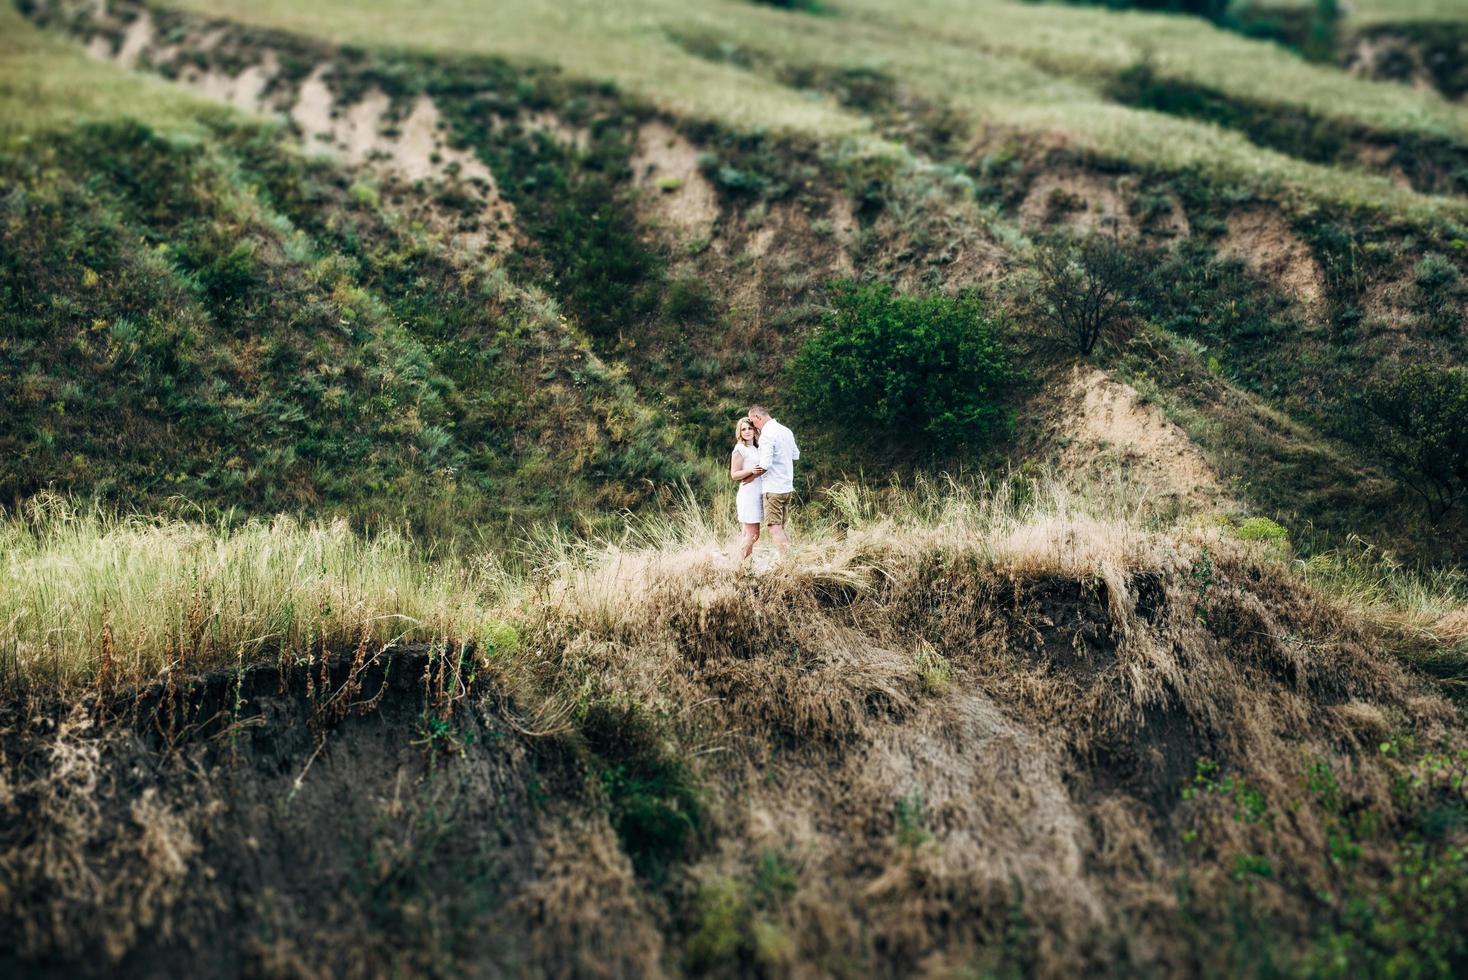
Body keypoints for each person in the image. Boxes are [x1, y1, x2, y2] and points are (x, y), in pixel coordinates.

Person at [746, 405, 799, 554]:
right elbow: (796, 455)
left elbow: (765, 464)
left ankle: (789, 561)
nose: (752, 425)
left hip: (773, 488)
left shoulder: (767, 434)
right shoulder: (786, 430)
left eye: (752, 421)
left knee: (774, 527)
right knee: (780, 527)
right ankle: (789, 559)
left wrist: (750, 477)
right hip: (787, 487)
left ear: (758, 418)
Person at [730, 416, 764, 560]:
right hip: (748, 494)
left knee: (747, 534)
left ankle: (745, 566)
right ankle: (738, 564)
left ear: (754, 429)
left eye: (750, 428)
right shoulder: (740, 449)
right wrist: (751, 471)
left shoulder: (756, 447)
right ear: (740, 432)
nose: (747, 431)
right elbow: (734, 474)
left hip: (757, 493)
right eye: (743, 429)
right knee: (753, 534)